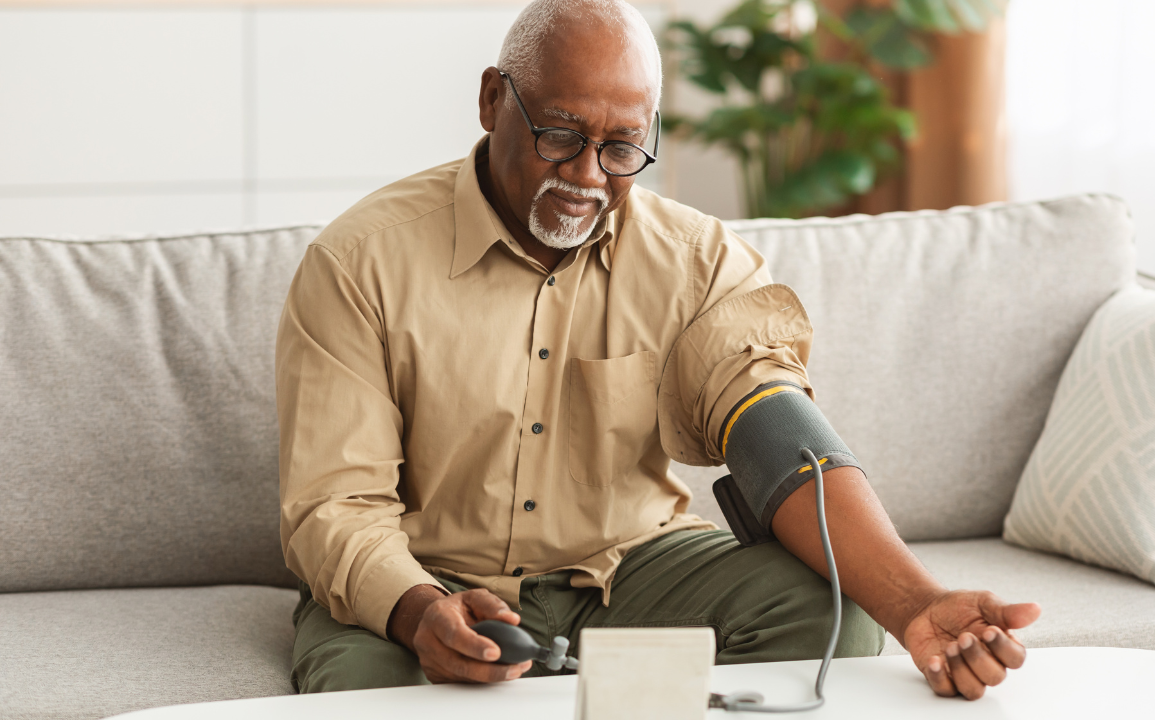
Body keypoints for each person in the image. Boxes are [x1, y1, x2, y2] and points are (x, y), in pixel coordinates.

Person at [276, 0, 1040, 702]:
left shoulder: (698, 261)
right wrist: (417, 613)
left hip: (628, 571)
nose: (586, 176)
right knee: (365, 693)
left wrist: (915, 603)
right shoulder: (360, 262)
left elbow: (775, 434)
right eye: (560, 135)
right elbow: (334, 506)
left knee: (829, 613)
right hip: (426, 576)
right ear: (491, 100)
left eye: (621, 148)